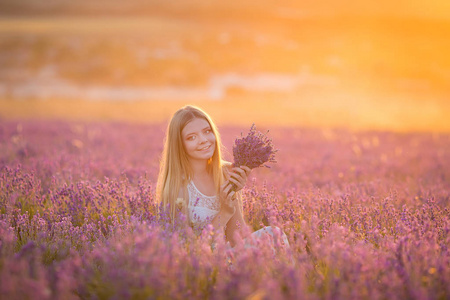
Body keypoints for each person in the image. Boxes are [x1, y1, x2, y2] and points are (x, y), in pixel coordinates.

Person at [157, 105, 288, 249]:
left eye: (207, 131)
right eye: (191, 137)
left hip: (228, 254)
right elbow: (189, 252)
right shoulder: (178, 188)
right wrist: (224, 212)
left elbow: (236, 238)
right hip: (204, 265)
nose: (203, 140)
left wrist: (234, 195)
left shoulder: (226, 173)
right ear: (179, 145)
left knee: (274, 233)